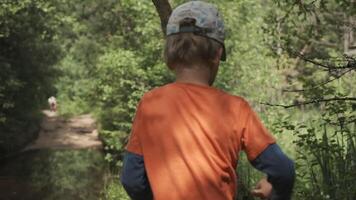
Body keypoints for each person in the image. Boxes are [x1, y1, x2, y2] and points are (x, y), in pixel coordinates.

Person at [121, 1, 295, 200]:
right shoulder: (235, 109)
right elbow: (283, 169)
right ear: (217, 54)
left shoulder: (150, 104)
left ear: (169, 54)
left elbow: (132, 179)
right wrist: (275, 194)